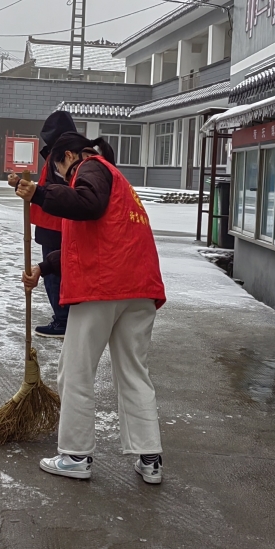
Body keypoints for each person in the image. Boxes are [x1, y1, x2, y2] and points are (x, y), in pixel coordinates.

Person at [15, 133, 166, 485]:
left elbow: (87, 205)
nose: (63, 179)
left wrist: (39, 193)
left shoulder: (91, 169)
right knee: (133, 371)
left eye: (59, 169)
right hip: (138, 288)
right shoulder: (116, 180)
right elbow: (92, 238)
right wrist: (45, 267)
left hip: (103, 287)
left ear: (70, 156)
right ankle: (150, 459)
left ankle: (75, 455)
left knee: (76, 369)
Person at [27, 110, 75, 338]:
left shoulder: (62, 156)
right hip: (55, 221)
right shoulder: (67, 153)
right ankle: (65, 317)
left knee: (54, 272)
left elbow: (57, 191)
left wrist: (34, 192)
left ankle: (62, 320)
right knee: (60, 270)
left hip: (55, 222)